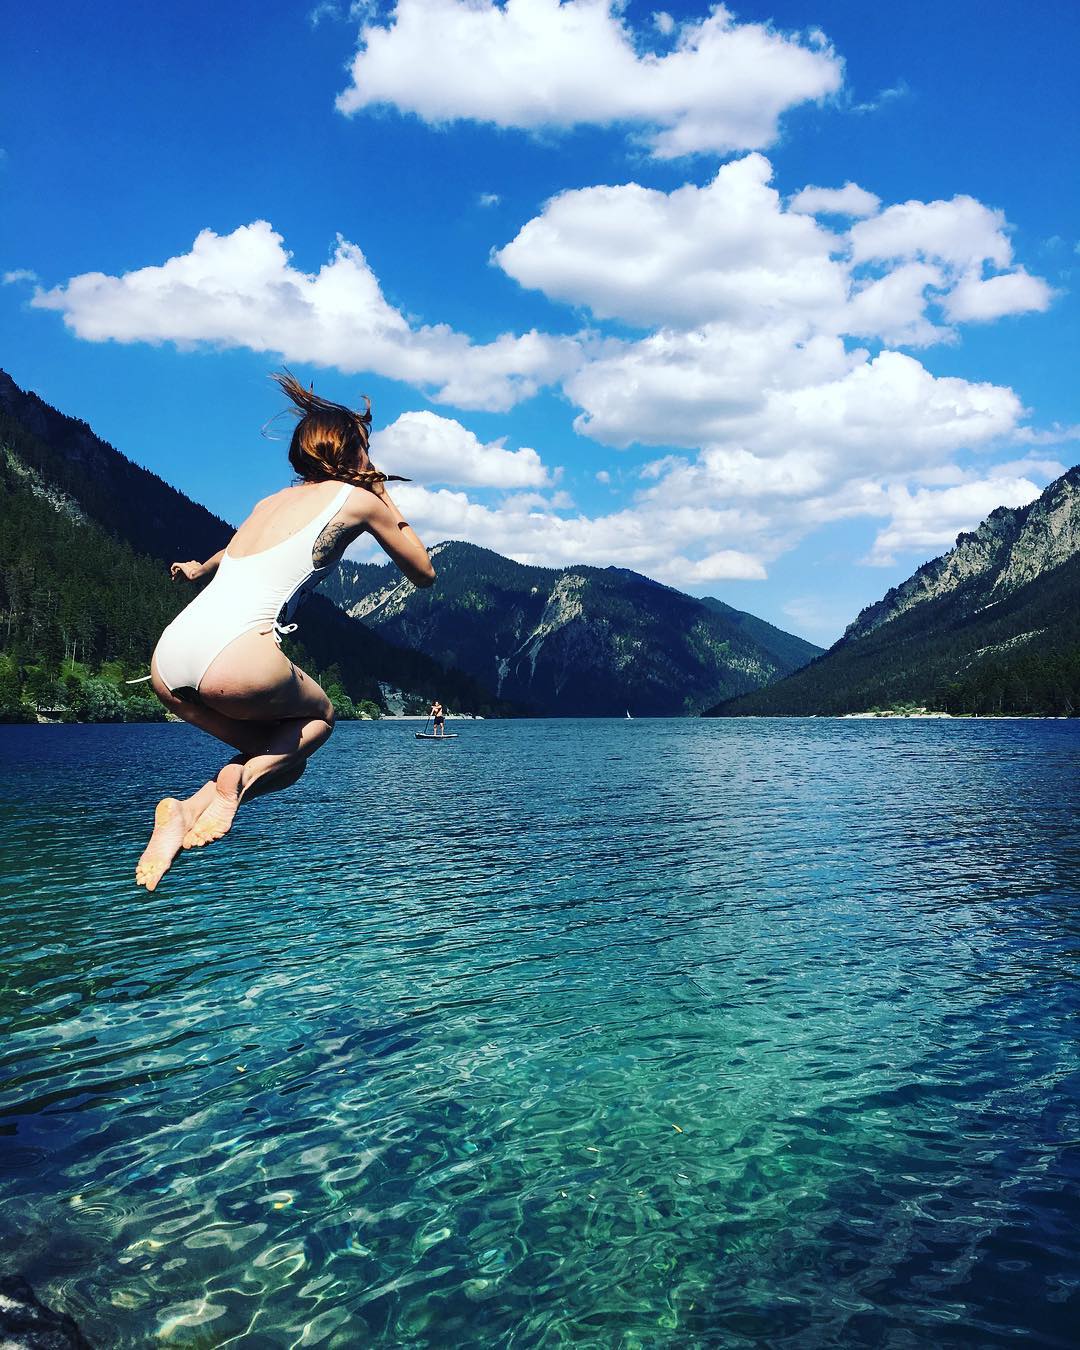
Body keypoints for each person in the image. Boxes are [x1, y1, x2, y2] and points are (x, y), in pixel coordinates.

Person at [135, 373, 435, 891]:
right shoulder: (358, 500)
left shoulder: (266, 504)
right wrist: (382, 492)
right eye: (366, 447)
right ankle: (235, 784)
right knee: (321, 718)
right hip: (238, 657)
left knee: (283, 759)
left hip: (168, 661)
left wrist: (198, 569)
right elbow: (424, 572)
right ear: (353, 450)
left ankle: (186, 810)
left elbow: (232, 551)